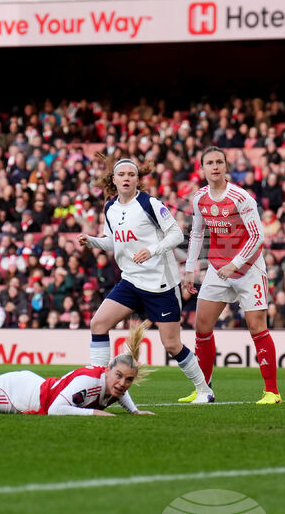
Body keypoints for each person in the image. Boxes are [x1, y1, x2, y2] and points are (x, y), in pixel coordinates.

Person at [77, 155, 213, 402]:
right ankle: (96, 384)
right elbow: (112, 241)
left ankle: (204, 390)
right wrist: (93, 241)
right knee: (98, 324)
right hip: (131, 281)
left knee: (171, 344)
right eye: (122, 175)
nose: (126, 178)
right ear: (114, 180)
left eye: (131, 174)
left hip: (160, 284)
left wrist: (152, 250)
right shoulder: (110, 207)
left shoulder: (150, 204)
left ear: (138, 180)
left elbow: (175, 234)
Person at [0, 278, 153, 417]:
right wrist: (97, 414)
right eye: (120, 377)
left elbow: (117, 392)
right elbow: (55, 409)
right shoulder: (92, 380)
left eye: (128, 380)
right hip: (20, 397)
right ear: (107, 370)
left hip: (29, 387)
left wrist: (133, 410)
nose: (123, 384)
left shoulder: (110, 382)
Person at [181, 146, 281, 405]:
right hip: (218, 268)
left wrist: (234, 264)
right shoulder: (199, 198)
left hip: (248, 269)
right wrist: (190, 269)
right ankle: (204, 389)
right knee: (202, 326)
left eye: (219, 162)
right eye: (209, 163)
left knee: (257, 328)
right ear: (202, 168)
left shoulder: (241, 197)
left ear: (226, 167)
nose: (214, 167)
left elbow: (258, 236)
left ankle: (272, 392)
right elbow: (196, 233)